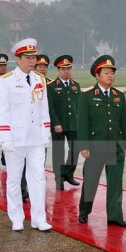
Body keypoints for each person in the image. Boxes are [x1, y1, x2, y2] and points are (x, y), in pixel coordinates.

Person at [0, 38, 52, 232]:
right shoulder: (6, 81)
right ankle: (17, 217)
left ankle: (39, 218)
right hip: (15, 139)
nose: (32, 61)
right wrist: (4, 139)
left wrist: (46, 134)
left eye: (33, 57)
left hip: (36, 138)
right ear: (17, 59)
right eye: (27, 57)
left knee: (38, 178)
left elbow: (43, 109)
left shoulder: (40, 79)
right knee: (14, 179)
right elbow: (1, 112)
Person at [77, 55, 126, 228]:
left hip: (115, 146)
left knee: (116, 182)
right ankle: (84, 212)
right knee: (91, 180)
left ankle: (115, 216)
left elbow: (123, 122)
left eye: (112, 73)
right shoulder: (87, 96)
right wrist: (83, 145)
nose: (110, 76)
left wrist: (125, 144)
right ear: (97, 75)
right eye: (106, 73)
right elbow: (83, 122)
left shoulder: (118, 96)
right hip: (95, 146)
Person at [47, 54, 81, 190]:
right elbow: (50, 107)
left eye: (69, 68)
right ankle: (58, 179)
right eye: (63, 69)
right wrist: (55, 123)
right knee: (58, 153)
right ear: (58, 70)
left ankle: (68, 173)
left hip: (73, 124)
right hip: (58, 125)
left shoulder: (75, 86)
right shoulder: (51, 86)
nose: (66, 71)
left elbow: (78, 106)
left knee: (75, 150)